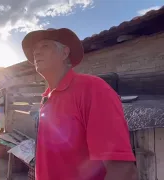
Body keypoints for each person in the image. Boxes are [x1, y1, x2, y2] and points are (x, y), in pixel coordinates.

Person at [21, 28, 137, 180]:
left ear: (64, 53)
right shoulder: (47, 97)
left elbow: (122, 170)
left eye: (45, 46)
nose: (36, 52)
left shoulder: (92, 89)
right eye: (35, 49)